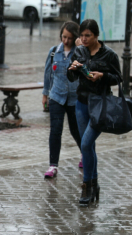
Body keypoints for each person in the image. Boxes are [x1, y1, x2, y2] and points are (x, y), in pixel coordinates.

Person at [67, 19, 122, 205]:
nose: (83, 39)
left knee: (85, 144)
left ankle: (86, 187)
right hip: (81, 103)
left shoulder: (109, 55)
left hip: (100, 105)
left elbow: (118, 78)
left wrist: (102, 76)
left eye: (87, 35)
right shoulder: (80, 50)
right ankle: (94, 185)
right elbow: (72, 77)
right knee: (88, 146)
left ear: (96, 36)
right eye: (81, 35)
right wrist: (73, 69)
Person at [42, 21, 83, 179]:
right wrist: (45, 94)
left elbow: (87, 66)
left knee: (76, 130)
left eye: (69, 38)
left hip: (74, 98)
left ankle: (84, 155)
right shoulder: (54, 52)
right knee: (55, 131)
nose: (65, 41)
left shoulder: (79, 52)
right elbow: (48, 75)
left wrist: (80, 49)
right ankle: (53, 165)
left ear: (75, 38)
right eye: (64, 37)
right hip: (56, 97)